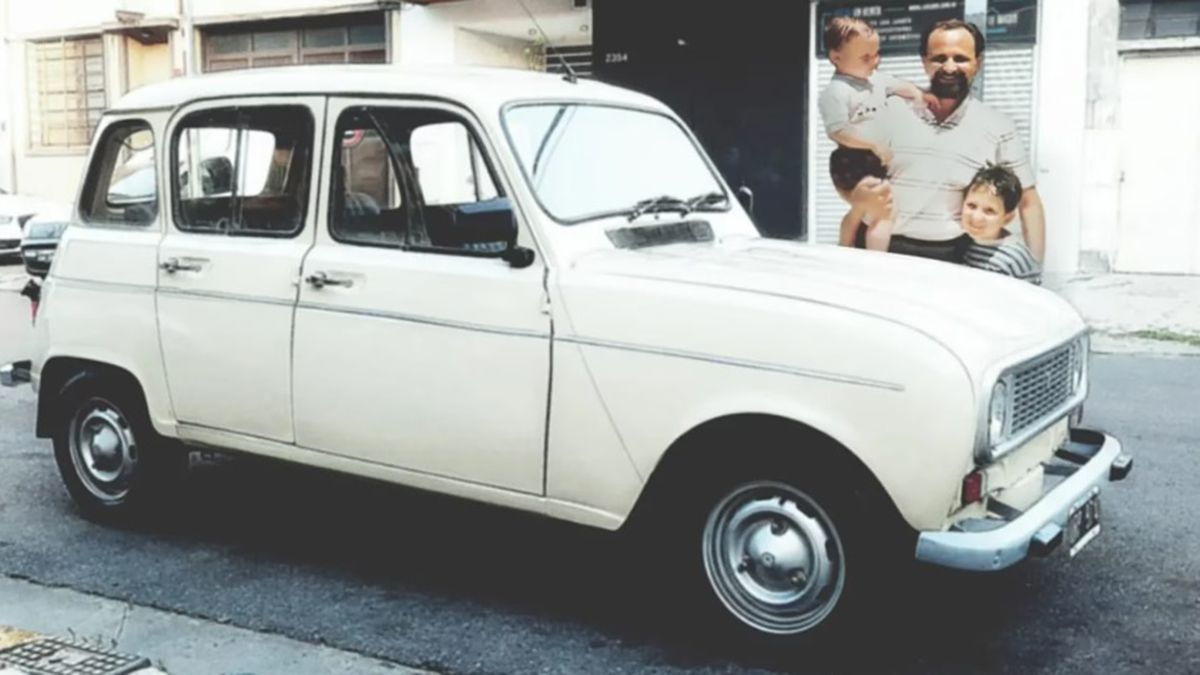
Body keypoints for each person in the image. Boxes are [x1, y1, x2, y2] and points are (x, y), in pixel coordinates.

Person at [840, 19, 1046, 264]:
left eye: (960, 58)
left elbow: (1029, 203)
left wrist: (1035, 270)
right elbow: (848, 183)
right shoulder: (885, 112)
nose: (949, 67)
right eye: (939, 58)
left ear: (978, 63)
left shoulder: (998, 127)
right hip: (877, 249)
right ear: (924, 61)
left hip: (950, 257)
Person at [818, 16, 924, 251]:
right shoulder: (836, 92)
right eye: (865, 57)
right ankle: (870, 256)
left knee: (877, 211)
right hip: (853, 159)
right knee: (882, 212)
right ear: (836, 58)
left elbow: (899, 85)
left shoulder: (875, 80)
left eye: (877, 54)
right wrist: (873, 146)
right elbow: (838, 131)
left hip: (874, 158)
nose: (874, 62)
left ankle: (862, 250)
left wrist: (916, 94)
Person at [960, 164, 1041, 284]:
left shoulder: (1016, 257)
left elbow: (1032, 297)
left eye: (989, 211)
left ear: (1007, 219)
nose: (976, 217)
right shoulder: (962, 242)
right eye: (972, 206)